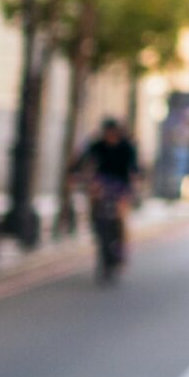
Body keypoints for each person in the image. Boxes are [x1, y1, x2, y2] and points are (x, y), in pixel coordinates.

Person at [76, 118, 141, 282]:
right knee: (95, 209)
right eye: (107, 133)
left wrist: (134, 185)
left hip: (121, 186)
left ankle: (122, 246)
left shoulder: (126, 147)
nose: (109, 136)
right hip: (102, 184)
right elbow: (82, 162)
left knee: (121, 217)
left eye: (112, 133)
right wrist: (80, 176)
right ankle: (95, 226)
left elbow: (135, 169)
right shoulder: (97, 145)